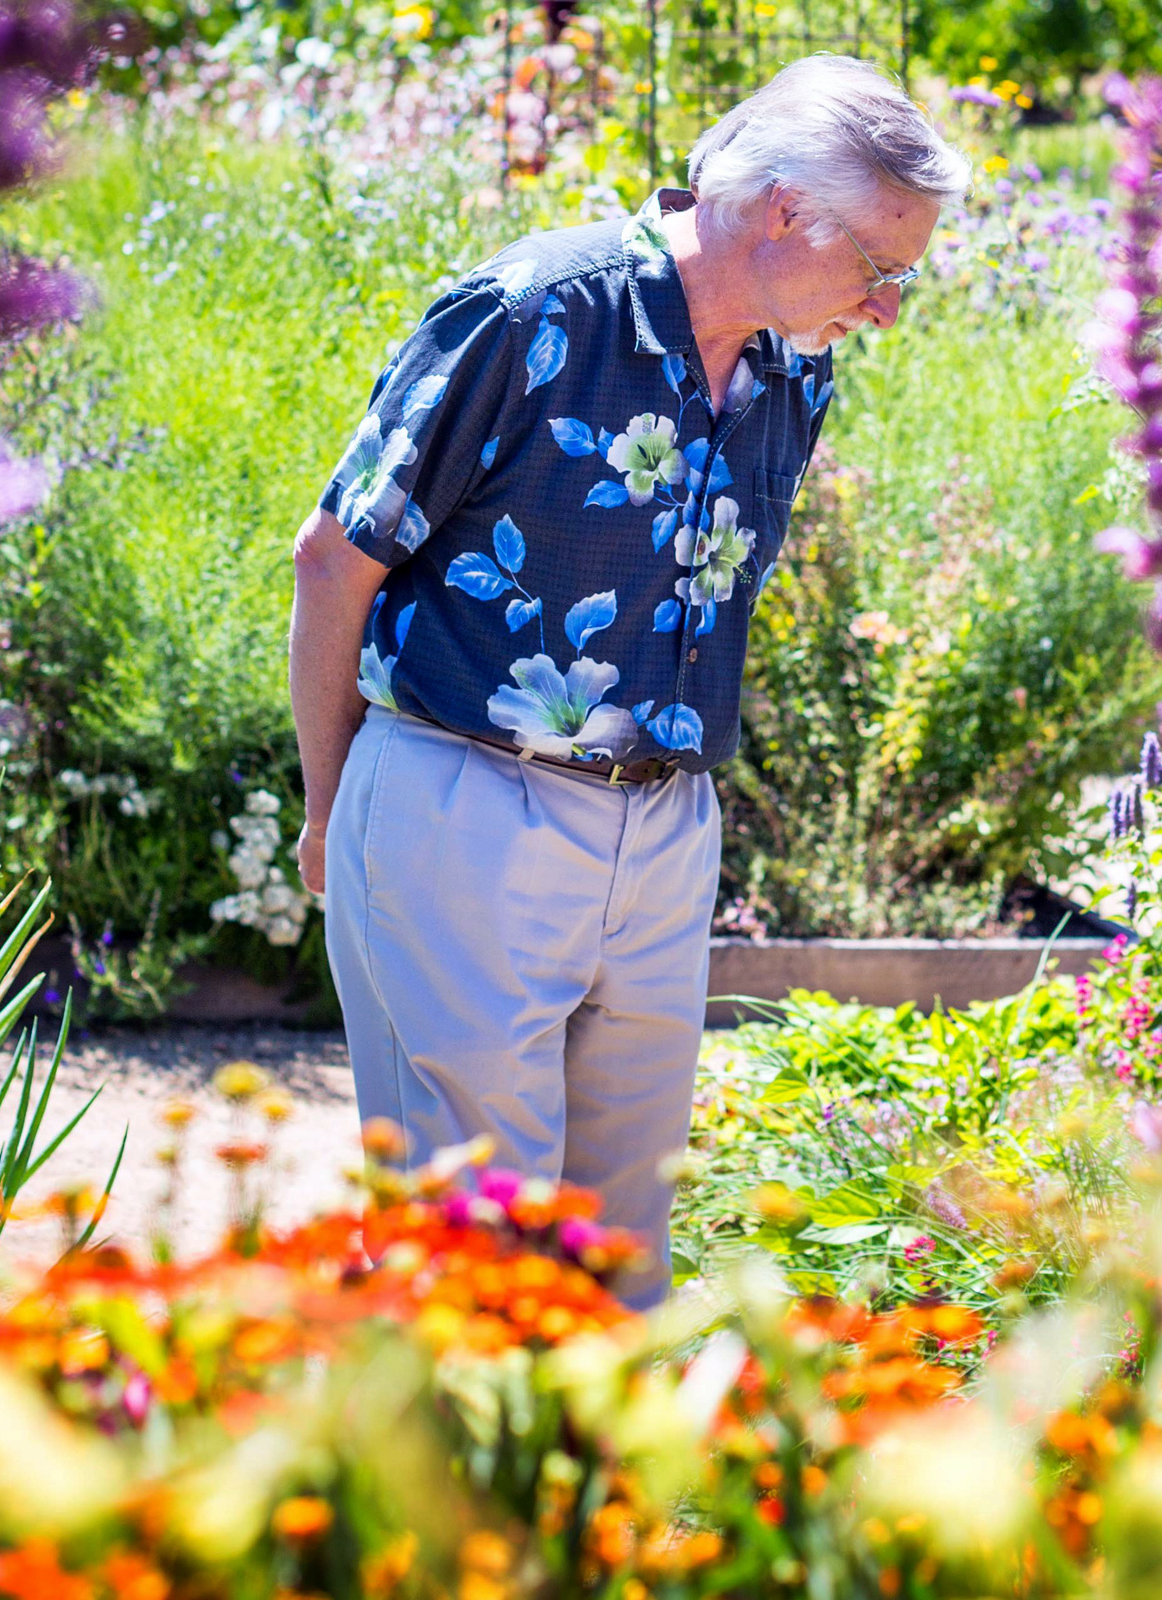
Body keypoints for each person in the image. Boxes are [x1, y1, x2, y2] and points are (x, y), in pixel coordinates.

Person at [287, 54, 968, 1307]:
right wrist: (332, 811)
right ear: (781, 210)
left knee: (621, 1256)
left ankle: (593, 1446)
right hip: (466, 804)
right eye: (881, 269)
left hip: (665, 831)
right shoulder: (534, 312)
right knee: (480, 1246)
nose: (885, 311)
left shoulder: (794, 367)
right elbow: (335, 558)